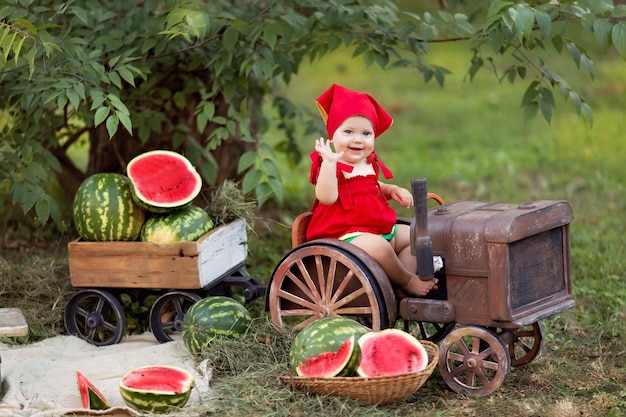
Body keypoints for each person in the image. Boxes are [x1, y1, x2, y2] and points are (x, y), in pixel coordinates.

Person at [306, 84, 438, 297]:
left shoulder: (368, 162)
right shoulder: (330, 165)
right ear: (332, 137)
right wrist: (329, 164)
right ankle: (407, 281)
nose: (358, 139)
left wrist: (391, 190)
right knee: (380, 247)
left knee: (417, 235)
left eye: (366, 133)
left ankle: (394, 286)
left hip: (377, 228)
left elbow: (371, 186)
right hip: (343, 234)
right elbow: (326, 197)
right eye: (348, 131)